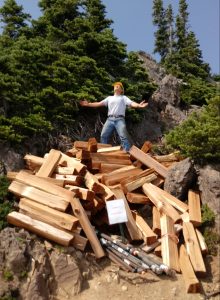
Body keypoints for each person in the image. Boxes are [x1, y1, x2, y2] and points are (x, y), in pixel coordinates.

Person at [79, 82, 148, 151]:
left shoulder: (123, 98)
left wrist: (139, 105)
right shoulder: (109, 98)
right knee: (103, 135)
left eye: (118, 86)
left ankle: (127, 152)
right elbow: (99, 103)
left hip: (120, 119)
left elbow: (132, 103)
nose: (116, 86)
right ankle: (103, 150)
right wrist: (88, 104)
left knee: (123, 136)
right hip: (110, 119)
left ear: (121, 90)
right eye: (115, 86)